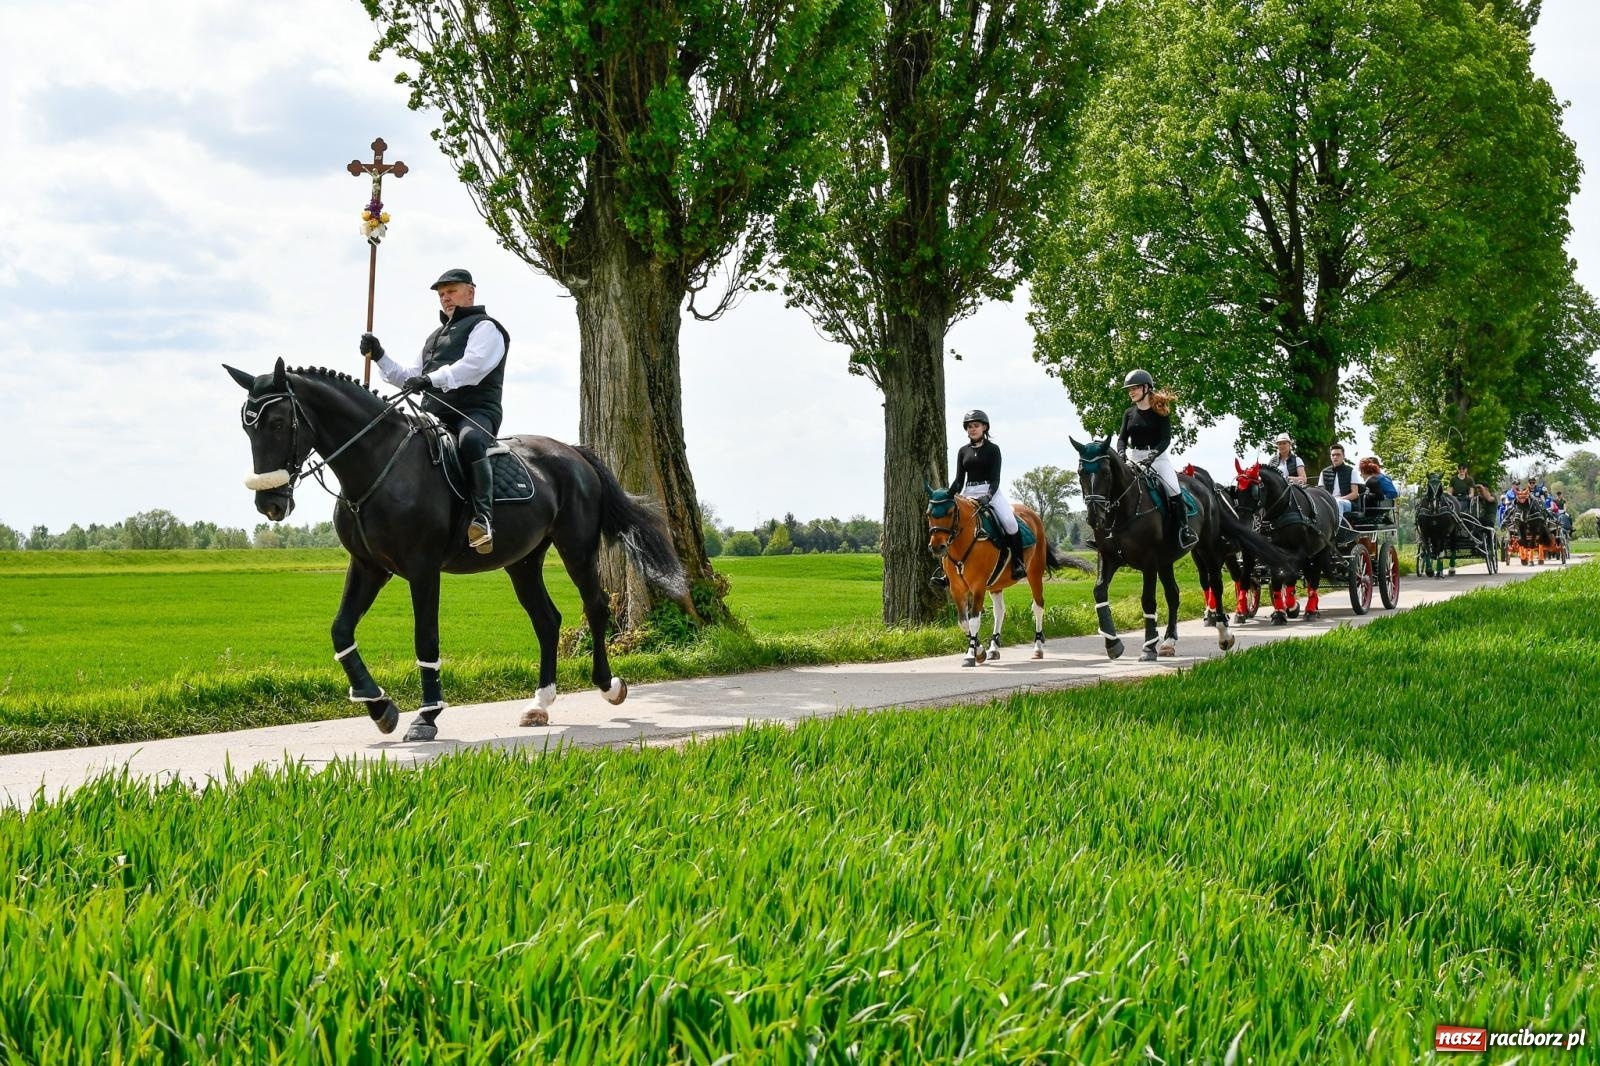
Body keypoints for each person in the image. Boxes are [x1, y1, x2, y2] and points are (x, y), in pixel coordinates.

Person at [360, 269, 510, 553]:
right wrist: (379, 356)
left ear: (470, 292)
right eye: (441, 294)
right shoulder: (435, 337)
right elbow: (409, 375)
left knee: (471, 441)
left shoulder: (486, 328)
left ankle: (483, 519)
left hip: (474, 412)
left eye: (451, 291)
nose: (445, 298)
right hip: (435, 414)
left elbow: (473, 367)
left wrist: (432, 379)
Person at [931, 410, 1027, 585]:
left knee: (1010, 521)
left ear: (984, 427)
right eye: (969, 427)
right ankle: (947, 573)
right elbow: (959, 480)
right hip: (968, 492)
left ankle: (1018, 563)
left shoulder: (993, 449)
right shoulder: (962, 451)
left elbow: (996, 478)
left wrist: (988, 496)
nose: (972, 429)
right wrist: (949, 495)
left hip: (990, 491)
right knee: (951, 525)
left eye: (976, 426)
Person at [1116, 369, 1197, 552]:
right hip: (1134, 458)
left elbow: (1166, 439)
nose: (1131, 392)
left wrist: (1153, 455)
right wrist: (1121, 453)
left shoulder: (1160, 411)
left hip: (1158, 458)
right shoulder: (1129, 413)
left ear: (1146, 388)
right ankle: (1111, 533)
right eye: (1129, 389)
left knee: (1174, 490)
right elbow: (1122, 438)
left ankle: (1184, 531)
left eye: (1134, 388)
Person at [1319, 444, 1361, 515]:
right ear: (1330, 457)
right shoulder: (1324, 472)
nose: (1335, 457)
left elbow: (1354, 494)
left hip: (1347, 502)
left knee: (1338, 503)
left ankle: (1336, 526)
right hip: (1329, 502)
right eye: (1333, 455)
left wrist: (1340, 499)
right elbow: (1321, 492)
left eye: (1338, 455)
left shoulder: (1351, 471)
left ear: (1343, 456)